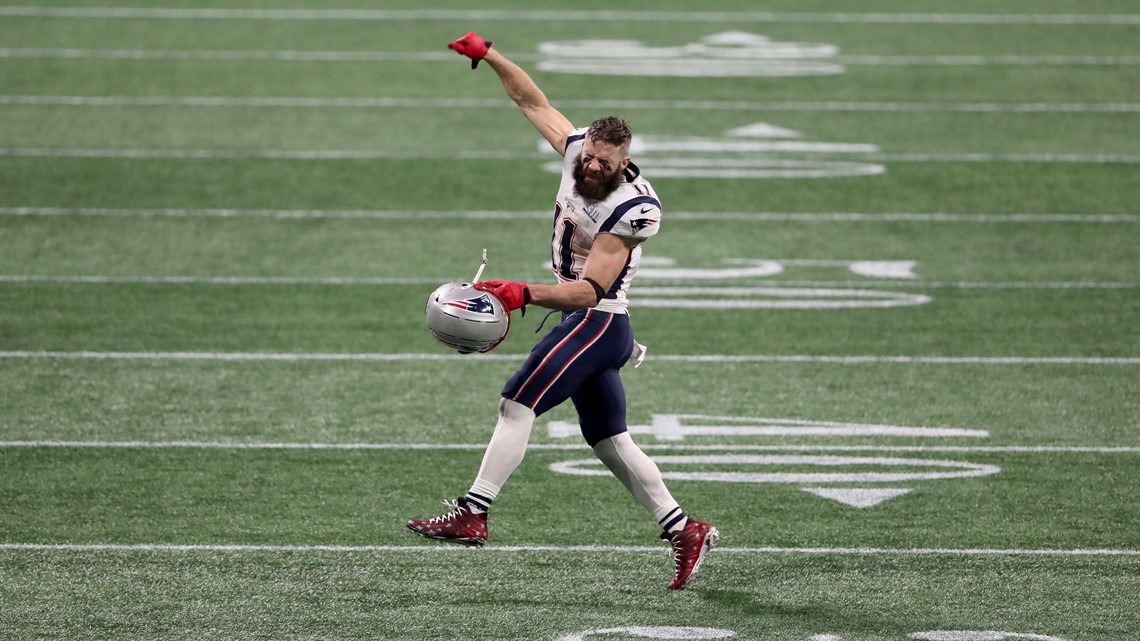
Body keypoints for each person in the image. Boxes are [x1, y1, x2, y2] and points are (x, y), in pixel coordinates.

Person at [407, 32, 719, 591]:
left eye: (605, 161)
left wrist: (520, 294)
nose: (592, 166)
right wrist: (490, 56)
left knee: (516, 403)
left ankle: (473, 513)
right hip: (593, 326)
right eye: (590, 155)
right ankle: (684, 529)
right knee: (610, 440)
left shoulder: (632, 208)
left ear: (626, 162)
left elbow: (588, 292)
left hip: (597, 323)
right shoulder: (579, 153)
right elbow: (532, 101)